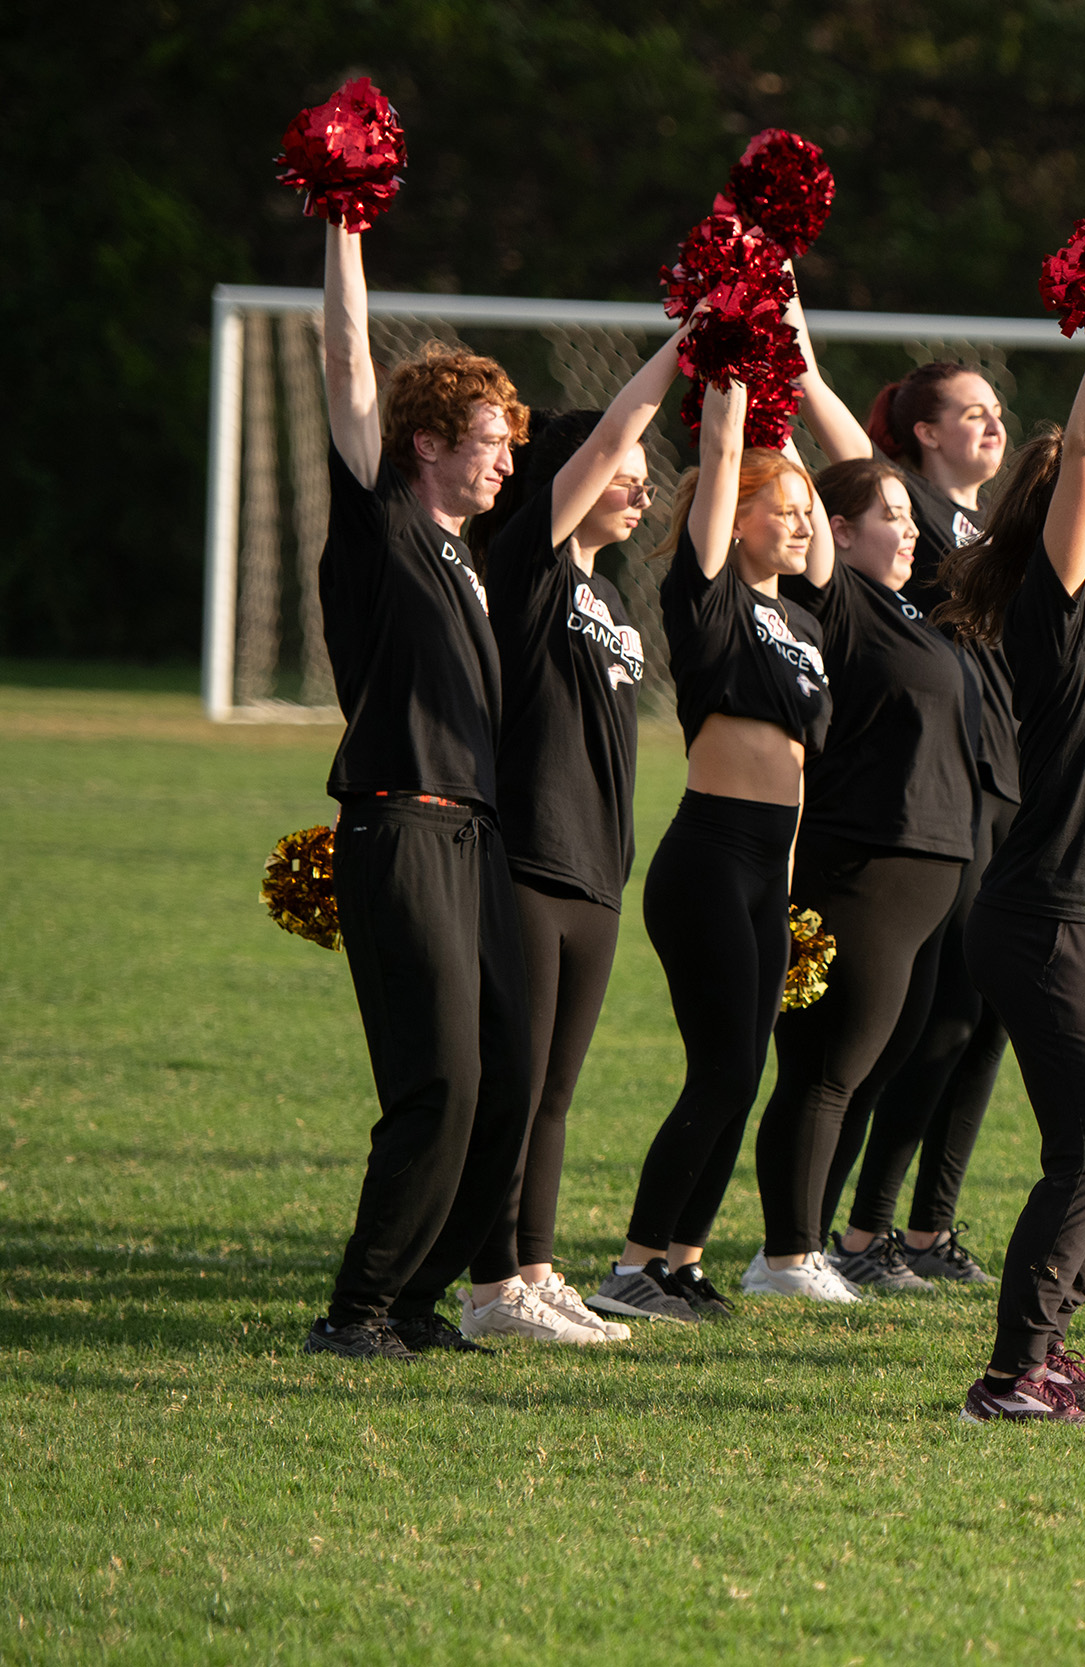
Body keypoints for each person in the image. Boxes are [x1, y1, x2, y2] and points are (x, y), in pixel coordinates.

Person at [303, 217, 534, 1360]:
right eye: (488, 440)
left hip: (475, 844)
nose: (504, 459)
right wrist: (346, 225)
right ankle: (354, 1311)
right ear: (425, 441)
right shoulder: (381, 519)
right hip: (398, 824)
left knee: (510, 1080)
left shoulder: (467, 559)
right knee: (437, 1077)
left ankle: (413, 1300)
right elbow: (349, 360)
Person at [941, 321, 1085, 1424]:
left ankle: (1052, 1342)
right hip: (1044, 917)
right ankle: (1009, 1374)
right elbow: (1082, 458)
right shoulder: (1060, 615)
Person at [451, 329, 689, 1344]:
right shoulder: (528, 567)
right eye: (624, 477)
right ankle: (487, 1281)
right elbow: (609, 436)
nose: (638, 493)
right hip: (527, 857)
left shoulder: (609, 594)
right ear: (572, 480)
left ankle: (535, 1270)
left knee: (553, 1089)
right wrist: (688, 338)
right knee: (511, 1079)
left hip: (596, 871)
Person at [588, 378, 834, 1325]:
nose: (805, 523)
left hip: (767, 872)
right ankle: (633, 1264)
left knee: (745, 1067)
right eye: (787, 508)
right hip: (708, 857)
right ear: (735, 521)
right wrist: (736, 368)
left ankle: (681, 1262)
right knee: (723, 1069)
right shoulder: (707, 598)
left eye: (810, 511)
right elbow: (725, 455)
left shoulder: (807, 622)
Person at [744, 445, 980, 1304]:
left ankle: (815, 1240)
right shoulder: (832, 599)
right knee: (827, 1068)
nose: (911, 531)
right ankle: (784, 1254)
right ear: (835, 533)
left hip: (929, 880)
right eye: (890, 516)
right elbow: (808, 474)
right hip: (863, 868)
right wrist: (779, 353)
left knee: (875, 1070)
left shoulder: (912, 611)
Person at [830, 359, 1019, 1289]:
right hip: (950, 795)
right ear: (924, 434)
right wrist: (783, 319)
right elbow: (840, 445)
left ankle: (929, 1228)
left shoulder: (995, 526)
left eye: (996, 411)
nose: (993, 424)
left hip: (1011, 785)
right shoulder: (910, 508)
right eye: (970, 412)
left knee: (984, 1016)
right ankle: (860, 1229)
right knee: (928, 1014)